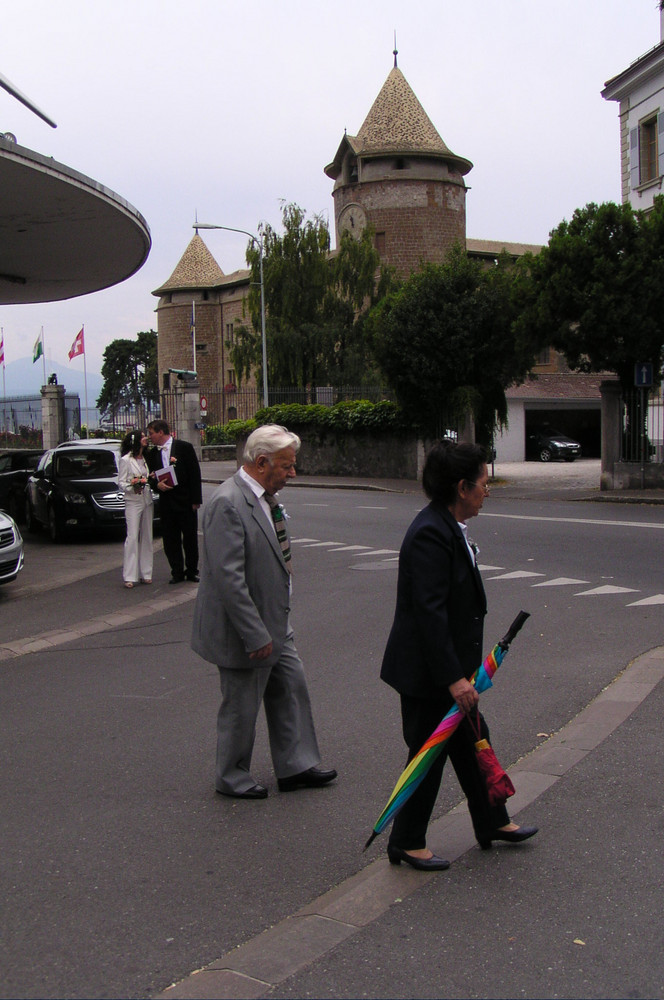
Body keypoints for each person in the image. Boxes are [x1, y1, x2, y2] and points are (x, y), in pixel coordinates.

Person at [380, 439, 537, 870]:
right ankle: (406, 842)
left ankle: (493, 821)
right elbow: (428, 615)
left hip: (450, 669)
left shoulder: (448, 526)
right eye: (484, 483)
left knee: (472, 743)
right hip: (428, 674)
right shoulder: (430, 533)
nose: (487, 491)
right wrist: (453, 678)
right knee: (427, 756)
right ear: (462, 487)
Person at [191, 423, 337, 799]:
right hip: (245, 629)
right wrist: (255, 634)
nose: (293, 473)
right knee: (241, 705)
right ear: (261, 463)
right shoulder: (227, 502)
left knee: (290, 686)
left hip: (275, 620)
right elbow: (228, 579)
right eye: (286, 466)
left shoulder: (264, 499)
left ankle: (296, 765)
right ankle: (231, 776)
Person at [146, 419, 202, 584]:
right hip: (166, 502)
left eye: (151, 433)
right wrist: (157, 485)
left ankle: (192, 571)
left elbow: (194, 474)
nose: (150, 437)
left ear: (160, 432)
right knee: (170, 539)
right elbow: (149, 477)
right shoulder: (152, 453)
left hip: (185, 500)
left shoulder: (184, 447)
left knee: (190, 538)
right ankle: (176, 572)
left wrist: (196, 500)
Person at [118, 429, 154, 589]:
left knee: (147, 536)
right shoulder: (126, 460)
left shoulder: (146, 458)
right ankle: (130, 575)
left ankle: (146, 572)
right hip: (133, 501)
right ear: (136, 441)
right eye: (143, 437)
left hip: (146, 500)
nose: (146, 438)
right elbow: (121, 482)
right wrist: (132, 487)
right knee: (132, 536)